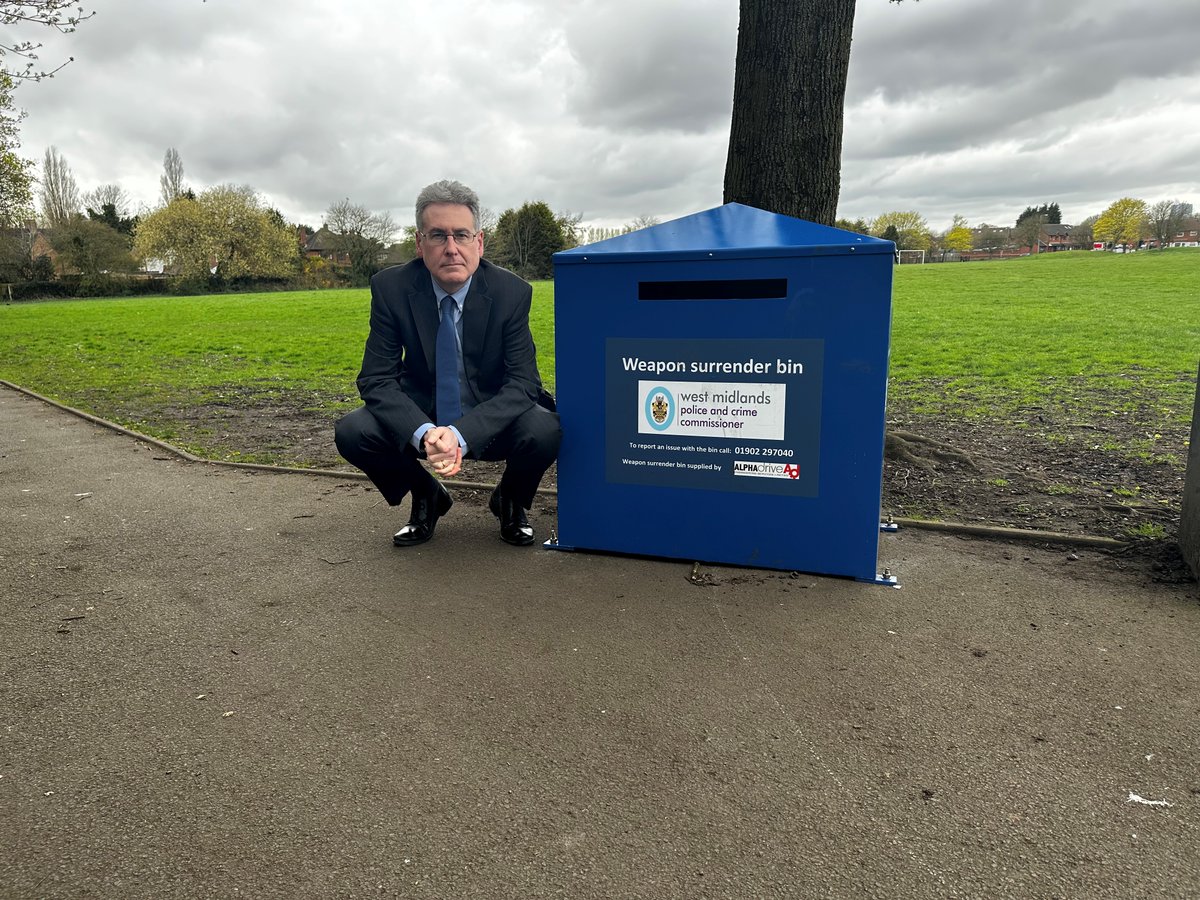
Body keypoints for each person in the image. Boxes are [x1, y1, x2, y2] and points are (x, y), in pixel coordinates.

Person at [334, 180, 561, 547]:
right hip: (423, 407)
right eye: (438, 236)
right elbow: (376, 379)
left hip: (489, 409)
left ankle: (509, 500)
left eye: (461, 235)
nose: (452, 249)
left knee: (546, 429)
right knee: (353, 431)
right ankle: (426, 494)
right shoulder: (391, 289)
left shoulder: (511, 293)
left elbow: (523, 383)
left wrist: (459, 435)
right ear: (420, 244)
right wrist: (424, 432)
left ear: (479, 242)